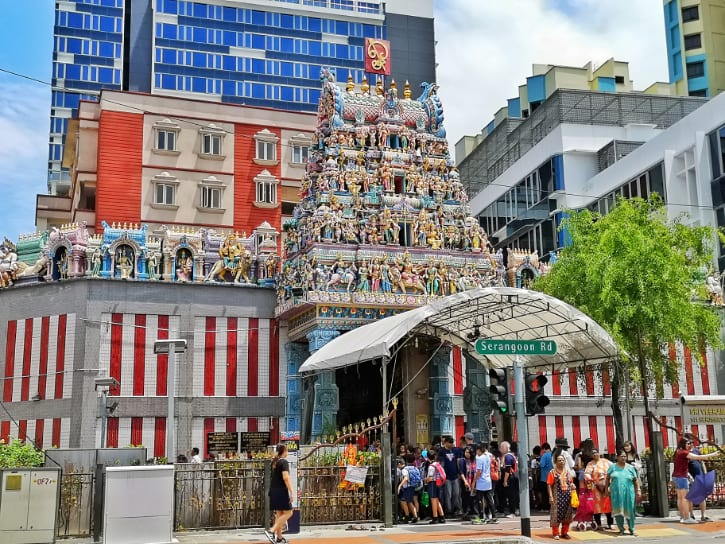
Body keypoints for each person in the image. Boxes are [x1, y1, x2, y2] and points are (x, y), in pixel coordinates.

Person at [671, 437, 719, 524]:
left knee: (680, 498)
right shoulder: (684, 452)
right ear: (683, 444)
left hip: (676, 477)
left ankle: (682, 517)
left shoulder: (678, 452)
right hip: (681, 477)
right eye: (688, 443)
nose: (690, 445)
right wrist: (713, 454)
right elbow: (699, 457)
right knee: (685, 498)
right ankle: (686, 517)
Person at [606, 450, 641, 535]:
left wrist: (638, 490)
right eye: (622, 456)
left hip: (629, 493)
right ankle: (621, 529)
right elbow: (607, 478)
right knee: (618, 511)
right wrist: (606, 489)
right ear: (617, 457)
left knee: (630, 510)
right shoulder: (612, 467)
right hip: (616, 493)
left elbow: (635, 480)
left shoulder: (630, 468)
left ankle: (632, 529)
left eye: (625, 456)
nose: (623, 458)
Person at [265, 444, 295, 544]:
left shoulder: (275, 462)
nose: (287, 452)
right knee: (289, 513)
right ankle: (272, 530)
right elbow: (286, 478)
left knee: (279, 513)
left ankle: (279, 538)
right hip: (281, 491)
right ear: (284, 451)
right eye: (287, 450)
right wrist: (291, 492)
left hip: (273, 491)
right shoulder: (284, 462)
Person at [547, 454, 575, 539]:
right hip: (557, 497)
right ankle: (555, 533)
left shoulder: (567, 472)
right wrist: (550, 496)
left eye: (562, 460)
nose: (561, 462)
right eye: (559, 460)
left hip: (567, 497)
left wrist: (573, 486)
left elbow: (571, 482)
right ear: (556, 462)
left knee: (567, 515)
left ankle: (564, 532)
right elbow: (548, 485)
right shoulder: (552, 472)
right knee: (555, 515)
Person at [584, 448, 613, 529]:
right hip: (596, 487)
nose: (595, 454)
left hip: (607, 485)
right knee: (597, 506)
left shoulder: (606, 461)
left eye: (596, 453)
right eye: (593, 453)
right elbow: (587, 473)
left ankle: (610, 523)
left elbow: (614, 468)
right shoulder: (590, 464)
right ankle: (598, 524)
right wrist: (590, 479)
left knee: (608, 504)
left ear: (599, 453)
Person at [685, 433, 711, 522]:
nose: (691, 444)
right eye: (689, 442)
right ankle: (691, 515)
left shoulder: (696, 451)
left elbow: (702, 462)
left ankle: (703, 515)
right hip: (691, 478)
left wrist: (705, 473)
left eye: (692, 442)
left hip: (700, 477)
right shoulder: (686, 453)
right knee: (691, 497)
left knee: (702, 496)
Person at [472, 442, 497, 524]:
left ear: (479, 450)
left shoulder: (480, 458)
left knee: (479, 499)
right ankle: (494, 517)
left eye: (477, 451)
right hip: (488, 479)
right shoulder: (488, 456)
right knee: (489, 499)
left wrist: (474, 481)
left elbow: (479, 471)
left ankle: (481, 518)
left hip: (481, 481)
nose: (476, 453)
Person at [441, 436, 462, 517]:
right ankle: (448, 511)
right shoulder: (442, 451)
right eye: (450, 442)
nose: (451, 444)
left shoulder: (455, 450)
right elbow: (441, 464)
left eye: (452, 442)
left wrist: (459, 472)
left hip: (455, 475)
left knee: (456, 493)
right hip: (446, 477)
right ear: (445, 443)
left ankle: (455, 509)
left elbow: (458, 461)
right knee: (448, 494)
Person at [396, 454, 419, 523]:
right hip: (412, 487)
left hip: (407, 488)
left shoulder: (404, 470)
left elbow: (406, 478)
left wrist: (400, 485)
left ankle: (407, 516)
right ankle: (415, 516)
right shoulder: (414, 468)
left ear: (400, 464)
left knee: (403, 501)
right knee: (409, 502)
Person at [425, 450, 446, 524]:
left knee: (433, 500)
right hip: (438, 483)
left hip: (432, 484)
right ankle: (442, 516)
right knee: (437, 501)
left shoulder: (431, 466)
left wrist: (426, 480)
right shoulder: (438, 464)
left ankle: (435, 517)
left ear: (427, 458)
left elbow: (430, 478)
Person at [458, 446, 477, 520]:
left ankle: (473, 512)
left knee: (473, 497)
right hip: (465, 482)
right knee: (465, 497)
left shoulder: (474, 460)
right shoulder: (462, 460)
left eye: (468, 452)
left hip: (473, 481)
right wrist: (465, 481)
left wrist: (474, 482)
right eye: (465, 452)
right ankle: (465, 512)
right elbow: (461, 472)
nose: (466, 454)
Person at [500, 441, 518, 517]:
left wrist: (505, 480)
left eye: (502, 447)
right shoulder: (511, 456)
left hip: (510, 477)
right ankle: (512, 510)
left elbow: (507, 469)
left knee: (511, 495)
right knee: (511, 495)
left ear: (506, 448)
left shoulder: (508, 456)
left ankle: (512, 512)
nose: (500, 449)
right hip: (512, 477)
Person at [538, 443, 553, 511]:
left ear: (544, 449)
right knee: (552, 492)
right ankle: (552, 507)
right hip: (553, 476)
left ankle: (546, 507)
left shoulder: (544, 455)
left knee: (545, 493)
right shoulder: (553, 454)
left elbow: (542, 465)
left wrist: (538, 463)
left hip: (545, 477)